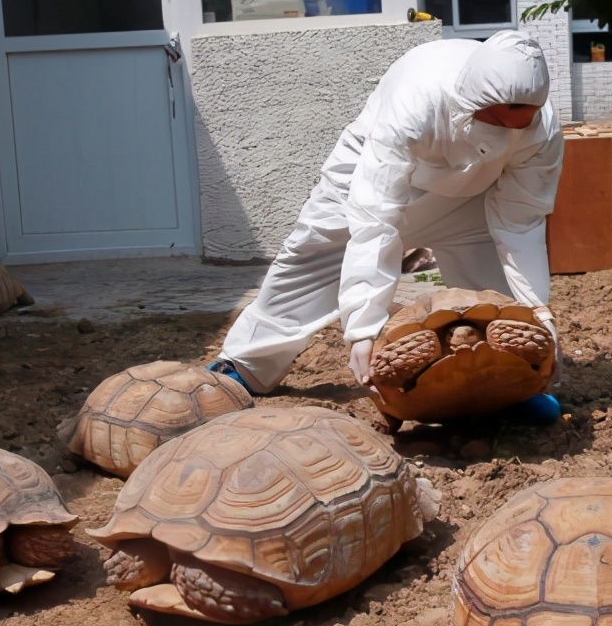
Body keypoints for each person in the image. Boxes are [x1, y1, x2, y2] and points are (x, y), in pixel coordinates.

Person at [206, 30, 564, 416]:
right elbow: (375, 218)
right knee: (312, 257)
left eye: (518, 125)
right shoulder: (417, 101)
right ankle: (245, 365)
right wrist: (363, 327)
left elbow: (520, 222)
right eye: (494, 120)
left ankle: (510, 383)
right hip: (367, 179)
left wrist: (536, 312)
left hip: (469, 195)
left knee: (497, 291)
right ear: (469, 103)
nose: (506, 134)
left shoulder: (543, 130)